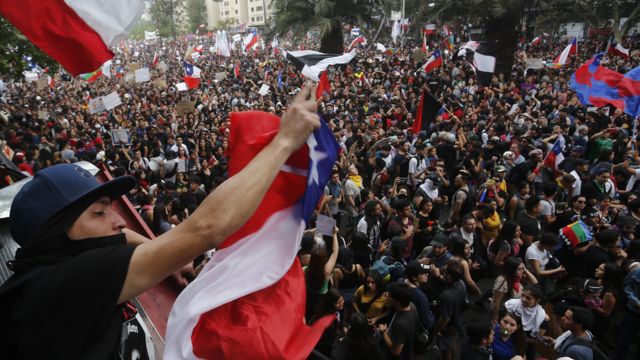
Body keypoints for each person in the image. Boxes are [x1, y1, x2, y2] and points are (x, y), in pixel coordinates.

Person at [0, 86, 322, 358]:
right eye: (99, 213)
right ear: (58, 233)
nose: (117, 221)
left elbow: (120, 234)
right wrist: (283, 143)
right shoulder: (68, 282)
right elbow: (206, 228)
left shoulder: (48, 267)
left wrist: (161, 256)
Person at [377, 281, 418, 360]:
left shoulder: (400, 324)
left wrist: (384, 332)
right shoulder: (411, 306)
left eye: (389, 296)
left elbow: (396, 351)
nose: (386, 296)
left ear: (398, 301)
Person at [403, 261, 435, 329]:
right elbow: (428, 321)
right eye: (423, 273)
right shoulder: (420, 298)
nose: (427, 274)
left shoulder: (401, 281)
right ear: (414, 278)